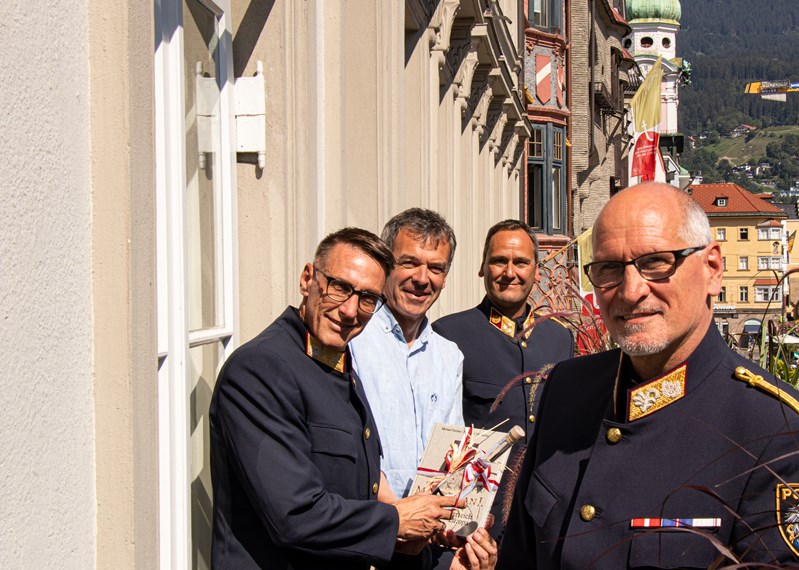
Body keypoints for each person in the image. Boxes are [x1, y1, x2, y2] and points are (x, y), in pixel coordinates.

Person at [499, 184, 799, 569]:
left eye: (656, 262)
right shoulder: (568, 390)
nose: (631, 291)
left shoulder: (783, 433)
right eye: (609, 269)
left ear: (712, 269)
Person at [210, 228, 495, 570]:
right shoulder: (261, 368)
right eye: (340, 287)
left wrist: (428, 531)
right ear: (307, 280)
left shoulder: (337, 363)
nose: (349, 310)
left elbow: (364, 487)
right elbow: (295, 515)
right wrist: (397, 520)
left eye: (366, 298)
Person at [433, 220, 574, 537]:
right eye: (499, 261)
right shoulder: (449, 336)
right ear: (482, 268)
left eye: (521, 262)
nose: (510, 272)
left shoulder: (559, 338)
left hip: (543, 521)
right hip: (478, 521)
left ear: (536, 270)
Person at [352, 208, 464, 500]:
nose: (422, 278)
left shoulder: (449, 357)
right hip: (369, 526)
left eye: (436, 268)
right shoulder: (353, 339)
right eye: (410, 263)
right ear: (385, 266)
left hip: (429, 532)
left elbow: (452, 456)